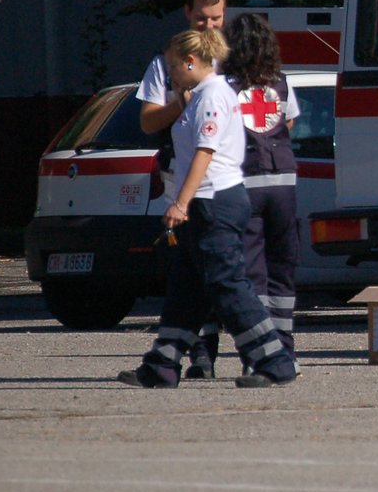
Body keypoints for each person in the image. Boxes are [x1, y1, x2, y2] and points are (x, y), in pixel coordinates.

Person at [117, 29, 298, 389]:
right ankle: (162, 365)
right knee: (188, 288)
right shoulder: (197, 96)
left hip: (214, 202)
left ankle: (275, 360)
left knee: (227, 284)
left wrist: (180, 203)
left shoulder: (212, 95)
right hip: (203, 203)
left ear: (190, 62)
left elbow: (205, 152)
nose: (170, 75)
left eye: (173, 67)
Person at [137, 0, 226, 376]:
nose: (210, 27)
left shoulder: (230, 60)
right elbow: (147, 122)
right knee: (188, 270)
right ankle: (198, 353)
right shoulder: (165, 64)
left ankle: (203, 351)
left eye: (218, 18)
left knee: (212, 272)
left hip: (223, 182)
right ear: (187, 14)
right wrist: (181, 102)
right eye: (203, 19)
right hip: (183, 181)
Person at [222, 13, 300, 364]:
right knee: (282, 268)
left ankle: (263, 354)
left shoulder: (225, 86)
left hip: (246, 183)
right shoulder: (280, 81)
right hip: (284, 181)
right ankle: (286, 349)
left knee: (253, 273)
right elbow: (290, 120)